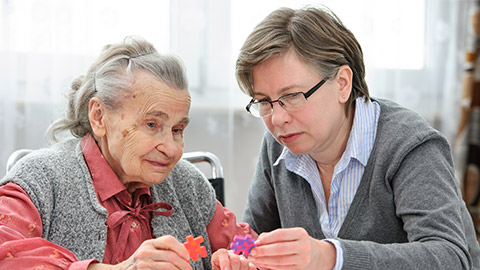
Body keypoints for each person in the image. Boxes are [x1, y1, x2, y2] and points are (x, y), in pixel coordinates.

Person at [232, 5, 480, 270]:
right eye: (264, 101)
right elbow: (252, 235)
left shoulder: (410, 144)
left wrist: (329, 256)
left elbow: (450, 257)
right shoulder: (278, 145)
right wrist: (236, 254)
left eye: (292, 96)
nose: (277, 119)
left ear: (342, 83)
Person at [0, 36, 256, 270]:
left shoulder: (187, 185)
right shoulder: (42, 179)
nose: (171, 148)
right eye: (152, 125)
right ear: (99, 116)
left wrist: (241, 260)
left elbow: (243, 245)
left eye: (177, 130)